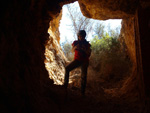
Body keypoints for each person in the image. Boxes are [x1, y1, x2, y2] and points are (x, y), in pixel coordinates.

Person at [63, 30, 91, 96]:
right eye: (80, 36)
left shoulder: (87, 44)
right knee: (67, 69)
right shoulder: (75, 42)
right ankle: (64, 86)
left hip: (85, 61)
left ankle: (82, 93)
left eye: (83, 36)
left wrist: (84, 49)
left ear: (84, 36)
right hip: (77, 60)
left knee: (83, 77)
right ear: (78, 36)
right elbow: (72, 50)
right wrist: (76, 47)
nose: (81, 37)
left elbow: (89, 54)